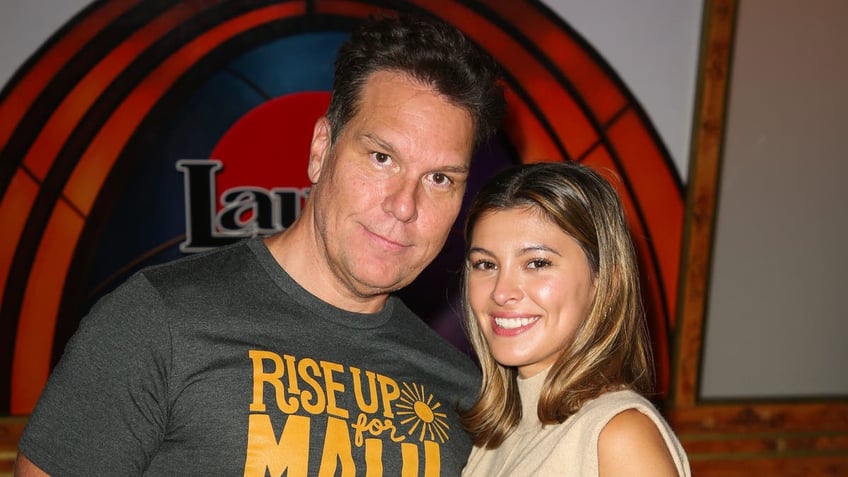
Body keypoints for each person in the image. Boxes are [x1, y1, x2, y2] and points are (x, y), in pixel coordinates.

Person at [15, 13, 505, 476]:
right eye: (381, 157)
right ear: (320, 151)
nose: (404, 205)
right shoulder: (158, 319)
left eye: (439, 178)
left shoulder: (463, 391)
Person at [459, 162, 690, 477]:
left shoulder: (617, 435)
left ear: (605, 282)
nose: (502, 292)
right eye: (485, 264)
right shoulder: (492, 438)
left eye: (537, 263)